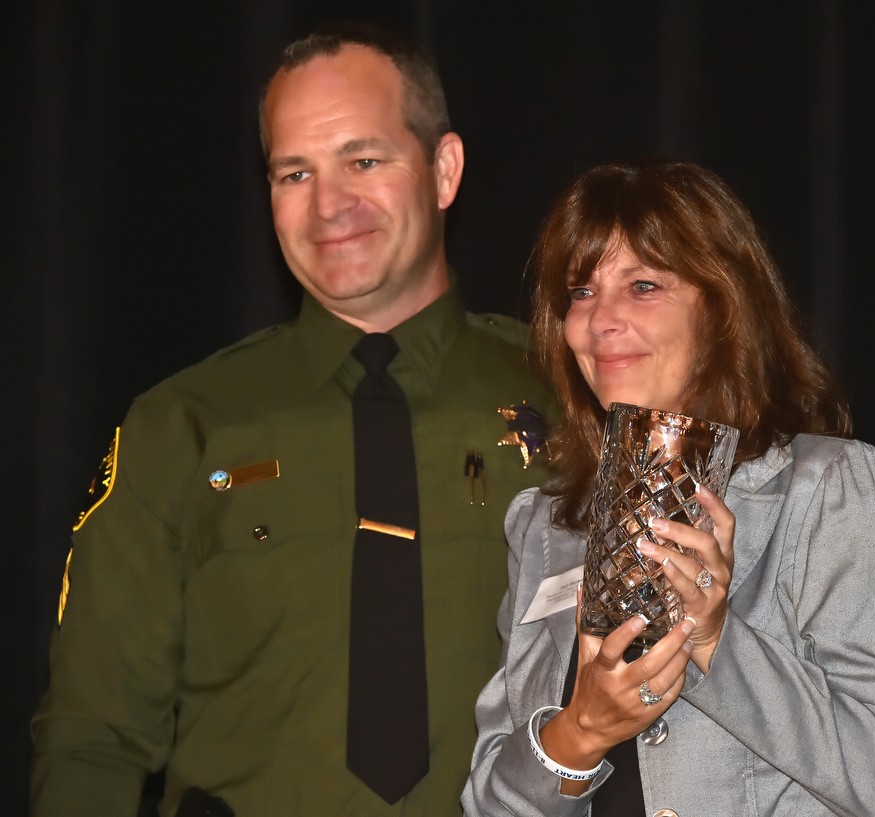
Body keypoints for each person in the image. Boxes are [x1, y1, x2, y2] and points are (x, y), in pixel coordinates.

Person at [30, 19, 557, 817]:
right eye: (293, 173)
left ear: (443, 170)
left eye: (364, 160)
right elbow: (91, 739)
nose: (329, 205)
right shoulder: (184, 426)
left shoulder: (566, 398)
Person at [462, 159, 875, 816]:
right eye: (582, 291)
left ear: (722, 308)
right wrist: (580, 733)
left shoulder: (833, 490)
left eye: (645, 285)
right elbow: (489, 803)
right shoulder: (544, 523)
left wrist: (715, 638)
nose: (601, 320)